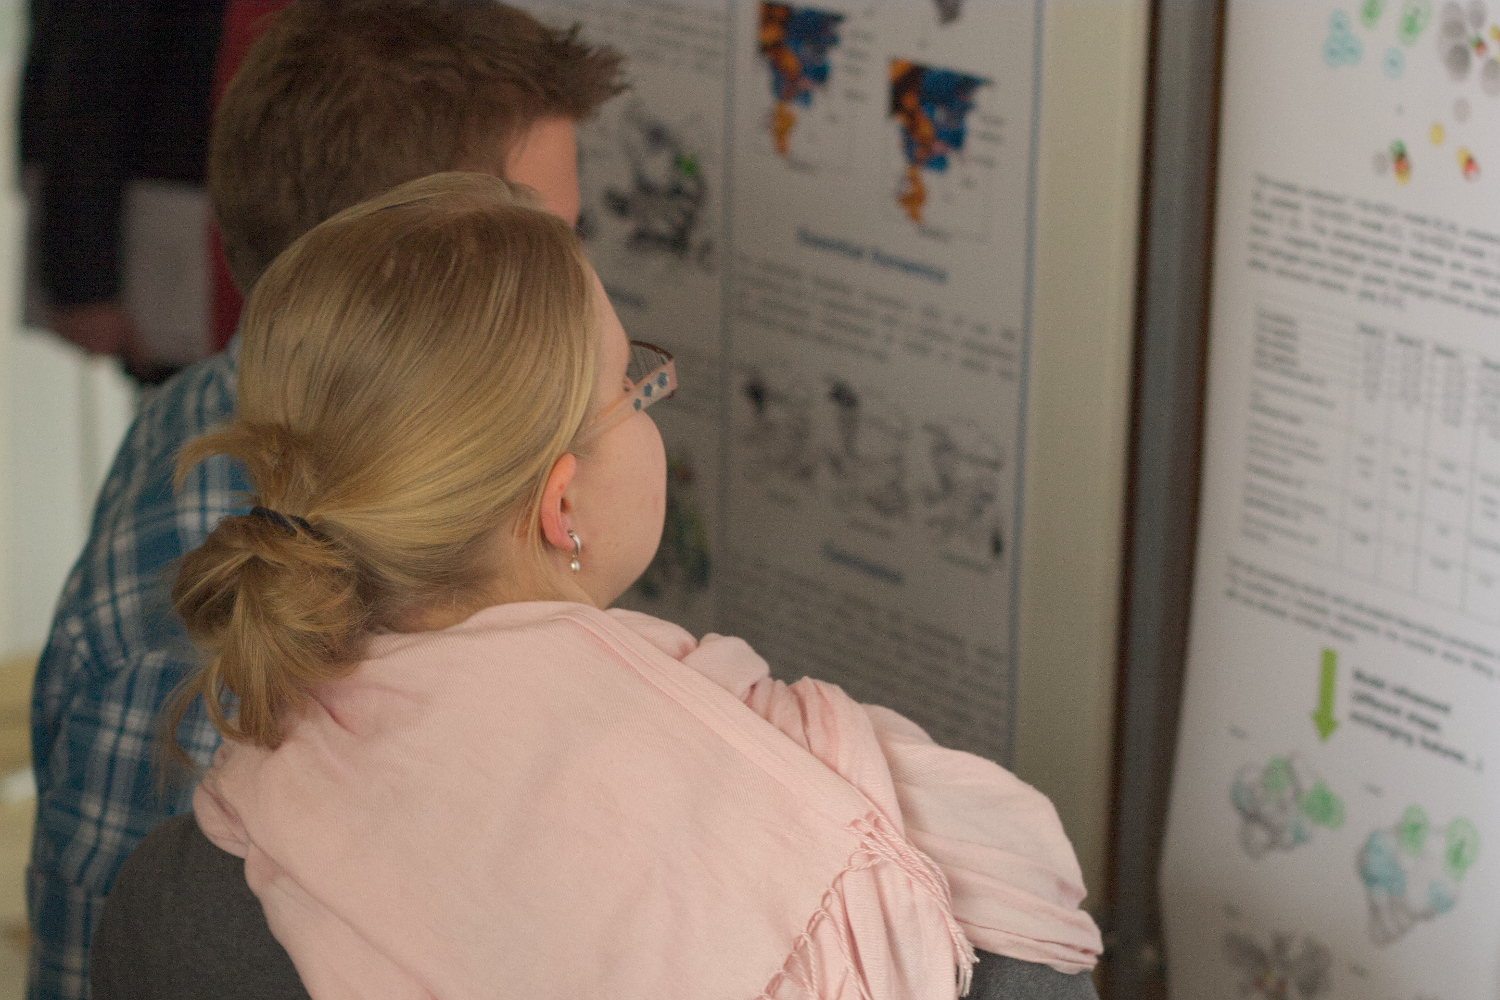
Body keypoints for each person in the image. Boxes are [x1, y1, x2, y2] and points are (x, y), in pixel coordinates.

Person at [90, 172, 1103, 999]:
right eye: (630, 383)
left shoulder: (175, 899)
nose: (647, 402)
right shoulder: (891, 866)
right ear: (560, 506)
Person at [26, 4, 622, 997]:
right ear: (394, 274)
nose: (585, 290)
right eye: (550, 251)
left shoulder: (239, 399)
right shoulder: (200, 657)